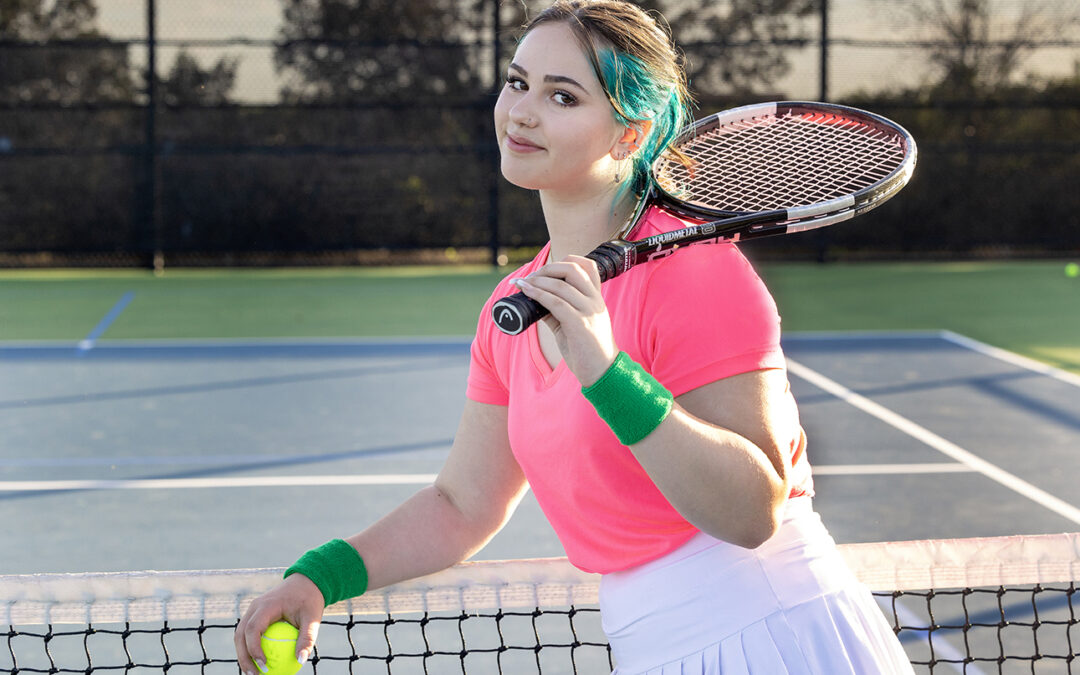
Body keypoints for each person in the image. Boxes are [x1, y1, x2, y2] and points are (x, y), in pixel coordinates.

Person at [235, 1, 915, 673]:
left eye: (563, 96)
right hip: (652, 647)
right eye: (516, 82)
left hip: (772, 635)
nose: (523, 111)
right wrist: (318, 578)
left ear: (628, 135)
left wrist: (607, 370)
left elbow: (753, 511)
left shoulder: (699, 273)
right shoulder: (512, 304)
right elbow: (462, 504)